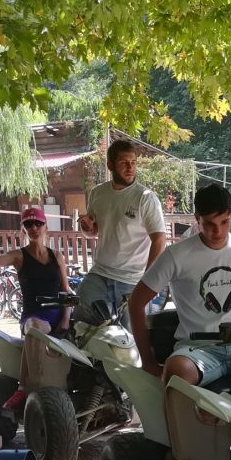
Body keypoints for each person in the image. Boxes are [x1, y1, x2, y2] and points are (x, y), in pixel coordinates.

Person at [129, 184, 231, 390]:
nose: (217, 231)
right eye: (209, 223)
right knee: (176, 371)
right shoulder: (176, 255)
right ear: (197, 219)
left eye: (224, 222)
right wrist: (147, 362)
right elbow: (136, 302)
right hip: (197, 349)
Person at [0, 206, 72, 412]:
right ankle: (24, 387)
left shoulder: (57, 256)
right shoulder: (19, 256)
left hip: (57, 313)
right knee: (34, 328)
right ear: (24, 229)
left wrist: (65, 318)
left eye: (38, 223)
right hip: (34, 315)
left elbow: (66, 289)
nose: (34, 228)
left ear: (46, 227)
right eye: (28, 224)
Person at [78, 138, 167, 326]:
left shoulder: (146, 198)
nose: (130, 167)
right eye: (123, 162)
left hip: (133, 278)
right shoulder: (97, 193)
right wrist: (87, 228)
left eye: (133, 162)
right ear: (110, 165)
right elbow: (93, 232)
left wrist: (148, 279)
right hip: (100, 272)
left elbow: (159, 239)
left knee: (133, 335)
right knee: (83, 320)